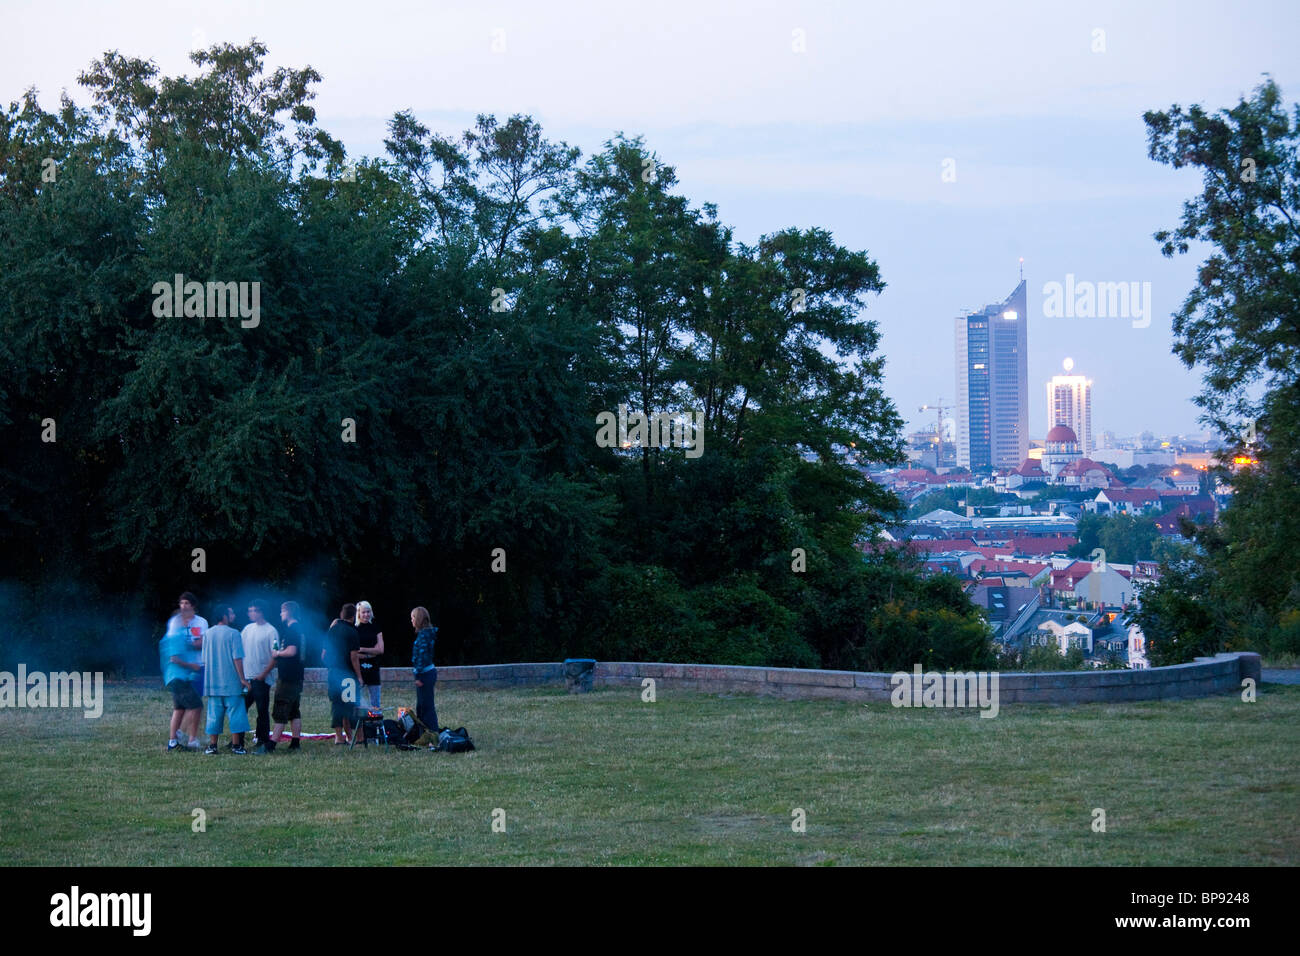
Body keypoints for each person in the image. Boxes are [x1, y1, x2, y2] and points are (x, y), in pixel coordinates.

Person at [202, 604, 251, 754]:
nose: (233, 615)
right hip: (231, 682)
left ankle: (212, 745)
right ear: (224, 616)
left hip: (213, 682)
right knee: (236, 713)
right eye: (230, 613)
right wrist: (242, 679)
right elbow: (237, 658)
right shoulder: (234, 634)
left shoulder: (207, 634)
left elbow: (204, 659)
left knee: (214, 715)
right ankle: (236, 746)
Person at [161, 592, 207, 751]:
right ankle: (191, 740)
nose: (183, 607)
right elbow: (174, 658)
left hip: (181, 675)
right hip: (180, 675)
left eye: (187, 603)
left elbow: (201, 643)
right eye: (181, 603)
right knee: (196, 706)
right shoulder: (175, 636)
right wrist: (191, 665)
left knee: (179, 708)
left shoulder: (197, 624)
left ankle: (173, 741)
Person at [323, 604, 364, 744]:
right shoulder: (352, 632)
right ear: (353, 617)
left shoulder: (332, 630)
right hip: (348, 675)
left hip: (334, 673)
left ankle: (339, 737)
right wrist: (359, 676)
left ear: (342, 614)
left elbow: (324, 654)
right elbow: (354, 657)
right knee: (352, 705)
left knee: (336, 705)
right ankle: (359, 737)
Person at [241, 600, 279, 753]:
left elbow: (275, 655)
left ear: (262, 612)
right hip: (247, 677)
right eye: (250, 610)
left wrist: (263, 675)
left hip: (261, 677)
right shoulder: (247, 629)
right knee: (241, 708)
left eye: (254, 610)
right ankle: (237, 739)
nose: (251, 613)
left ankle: (263, 739)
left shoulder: (271, 631)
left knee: (261, 710)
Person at [268, 601, 305, 752]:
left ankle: (271, 745)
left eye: (282, 611)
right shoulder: (300, 629)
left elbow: (291, 651)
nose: (280, 614)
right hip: (297, 675)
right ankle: (295, 743)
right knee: (293, 710)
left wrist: (277, 653)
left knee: (281, 708)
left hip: (288, 676)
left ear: (289, 612)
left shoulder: (292, 630)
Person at [411, 607, 438, 740]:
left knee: (425, 707)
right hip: (429, 672)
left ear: (419, 619)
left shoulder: (423, 636)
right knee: (422, 706)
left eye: (413, 618)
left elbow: (421, 657)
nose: (411, 620)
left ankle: (432, 735)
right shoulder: (428, 633)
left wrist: (418, 676)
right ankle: (424, 734)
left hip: (425, 675)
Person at [354, 600, 384, 709]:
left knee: (375, 703)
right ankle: (360, 725)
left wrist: (362, 649)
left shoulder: (375, 627)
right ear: (358, 613)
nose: (366, 614)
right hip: (358, 669)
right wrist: (371, 652)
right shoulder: (354, 629)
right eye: (363, 612)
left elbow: (380, 649)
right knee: (357, 702)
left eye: (368, 611)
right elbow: (353, 653)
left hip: (374, 668)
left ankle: (376, 724)